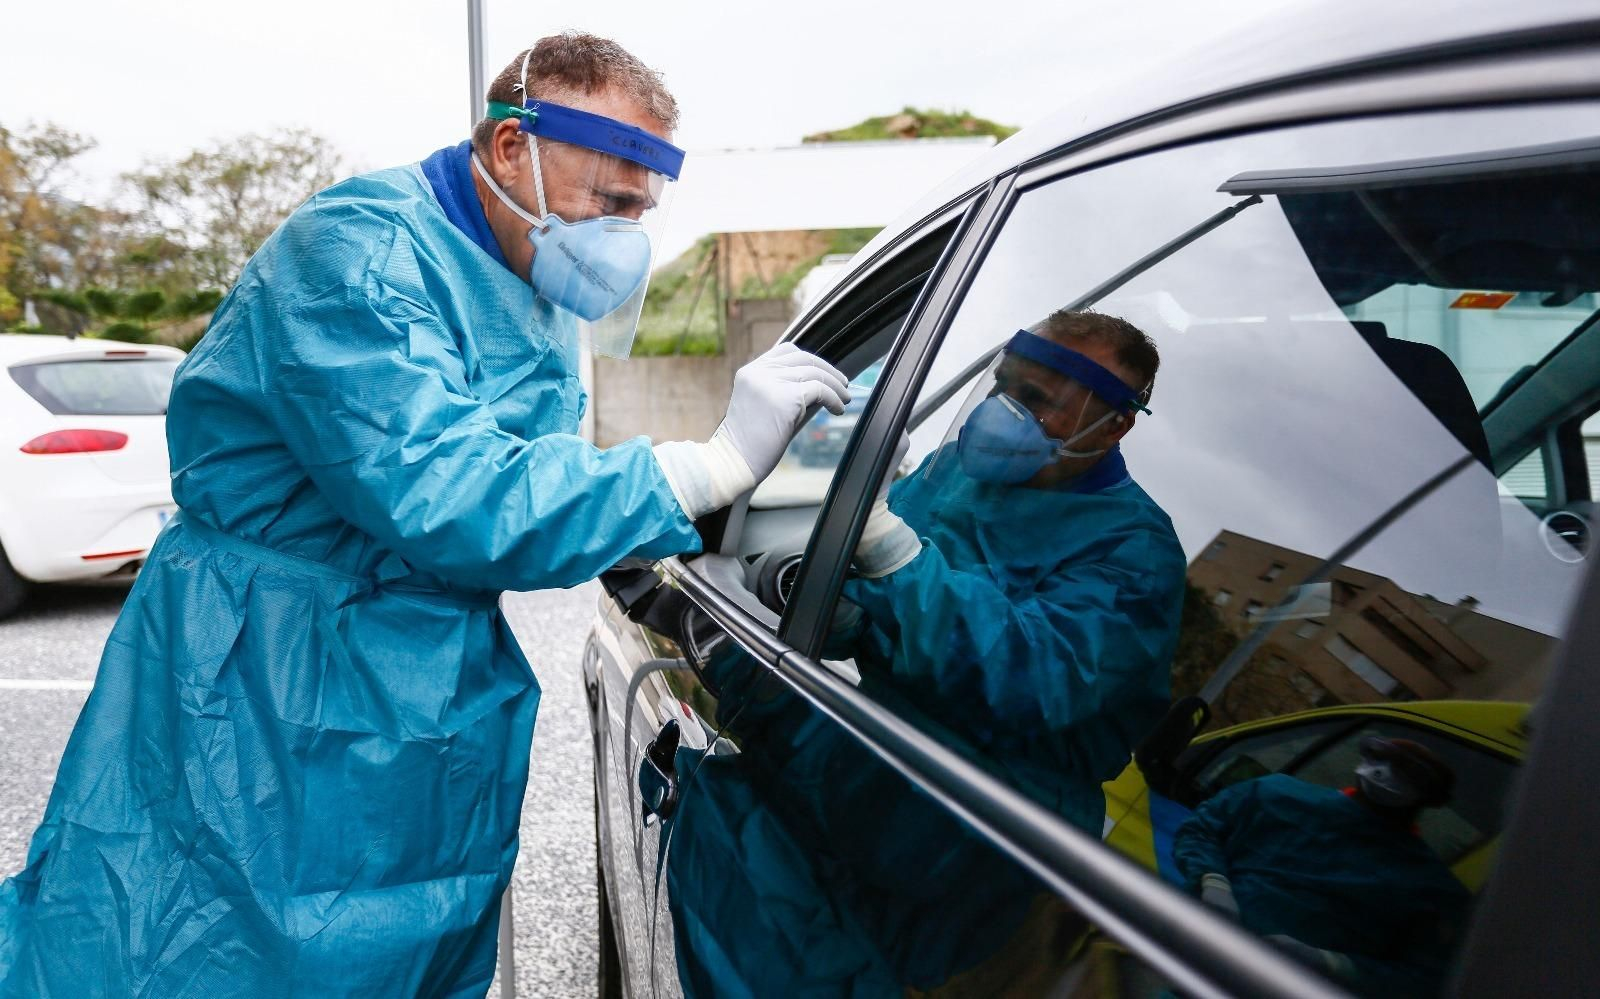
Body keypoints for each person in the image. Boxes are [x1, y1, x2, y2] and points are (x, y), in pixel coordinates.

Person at [0, 34, 848, 998]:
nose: (622, 233)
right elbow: (452, 489)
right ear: (510, 148)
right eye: (607, 200)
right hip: (266, 675)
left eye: (638, 210)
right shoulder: (356, 257)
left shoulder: (525, 277)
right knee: (202, 943)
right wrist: (711, 465)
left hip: (414, 677)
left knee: (391, 954)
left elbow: (539, 471)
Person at [835, 308, 1188, 833]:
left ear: (1115, 425)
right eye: (1003, 385)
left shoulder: (1137, 552)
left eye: (1039, 400)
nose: (1003, 412)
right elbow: (863, 579)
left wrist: (887, 555)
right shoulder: (956, 469)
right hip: (863, 757)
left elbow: (1030, 678)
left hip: (987, 828)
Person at [1172, 736, 1473, 997]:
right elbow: (1202, 830)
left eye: (1407, 773)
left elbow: (1425, 980)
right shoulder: (1274, 796)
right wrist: (1212, 882)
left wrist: (1332, 964)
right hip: (1200, 968)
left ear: (1426, 796)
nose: (1385, 773)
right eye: (1382, 759)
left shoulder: (1429, 889)